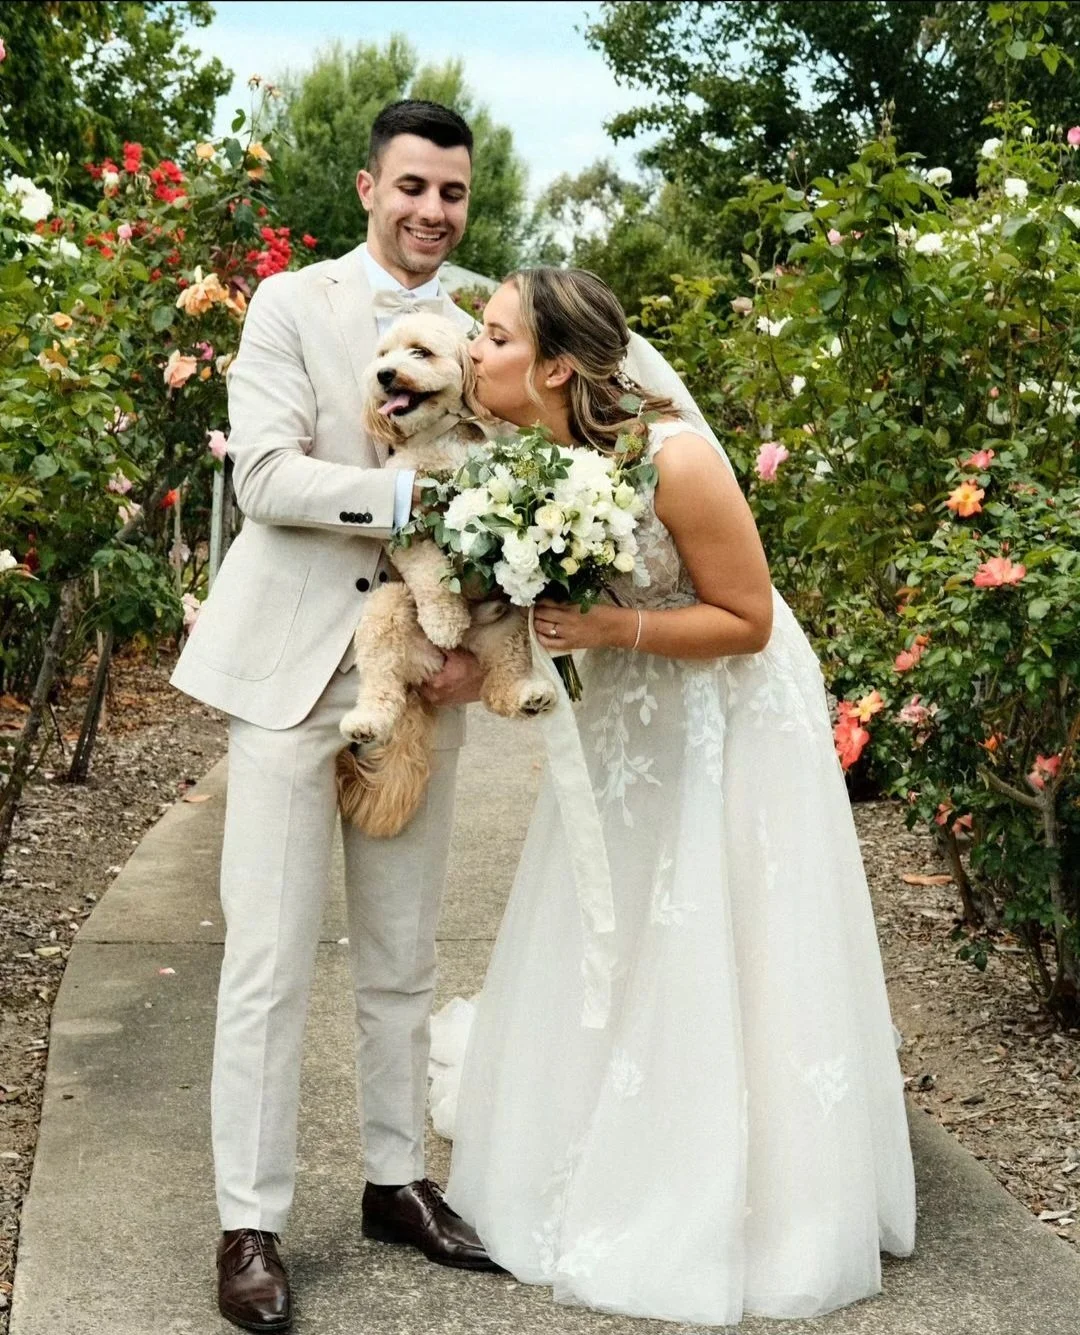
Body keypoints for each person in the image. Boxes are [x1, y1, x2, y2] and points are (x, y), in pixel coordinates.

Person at [440, 267, 917, 1326]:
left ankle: (749, 1174)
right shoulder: (539, 466)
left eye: (494, 334)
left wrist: (607, 630)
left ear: (556, 365)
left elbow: (745, 620)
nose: (475, 349)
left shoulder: (675, 457)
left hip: (732, 712)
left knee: (718, 914)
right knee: (614, 902)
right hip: (634, 713)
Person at [170, 101, 503, 1334]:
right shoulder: (290, 306)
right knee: (267, 960)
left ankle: (394, 1179)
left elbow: (523, 489)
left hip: (421, 676)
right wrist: (415, 498)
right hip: (285, 681)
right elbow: (262, 477)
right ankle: (248, 1219)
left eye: (453, 194)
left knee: (406, 954)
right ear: (368, 187)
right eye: (412, 187)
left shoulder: (487, 324)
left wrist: (477, 639)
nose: (431, 212)